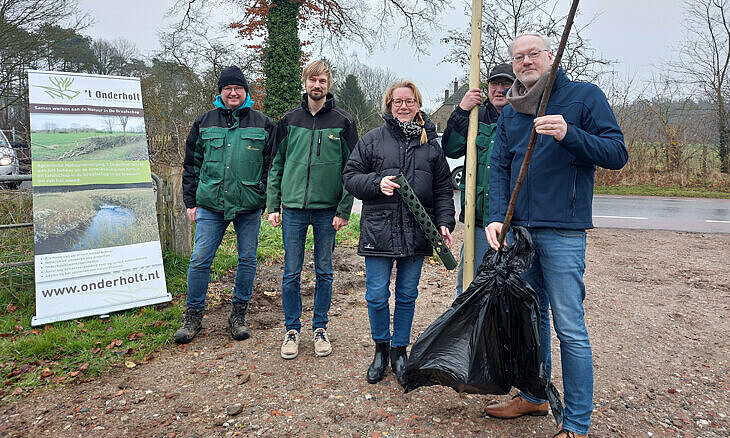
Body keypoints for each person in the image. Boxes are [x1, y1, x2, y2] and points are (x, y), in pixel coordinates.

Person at [484, 34, 628, 438]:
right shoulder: (513, 108)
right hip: (520, 233)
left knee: (569, 327)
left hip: (563, 231)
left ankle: (577, 423)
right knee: (531, 320)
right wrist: (498, 217)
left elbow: (616, 153)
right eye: (518, 57)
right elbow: (499, 168)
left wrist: (570, 134)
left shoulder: (583, 97)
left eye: (533, 54)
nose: (525, 61)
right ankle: (534, 394)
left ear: (550, 57)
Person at [343, 80, 456, 385]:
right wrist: (376, 183)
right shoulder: (372, 140)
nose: (403, 106)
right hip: (379, 230)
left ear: (418, 105)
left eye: (410, 101)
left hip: (419, 231)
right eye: (397, 102)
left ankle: (399, 351)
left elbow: (444, 189)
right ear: (389, 105)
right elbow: (350, 176)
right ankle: (380, 349)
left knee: (407, 295)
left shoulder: (431, 146)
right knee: (377, 295)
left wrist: (445, 221)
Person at [176, 65, 276, 344]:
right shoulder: (204, 122)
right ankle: (193, 315)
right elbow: (191, 165)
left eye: (238, 88)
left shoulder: (264, 124)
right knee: (200, 260)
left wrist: (266, 198)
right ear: (220, 92)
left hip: (248, 205)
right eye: (228, 89)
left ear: (246, 92)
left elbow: (272, 166)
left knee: (247, 260)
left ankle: (238, 315)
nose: (233, 93)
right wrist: (190, 201)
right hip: (210, 204)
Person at [266, 60, 358, 360]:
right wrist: (273, 204)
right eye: (312, 80)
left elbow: (351, 169)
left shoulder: (344, 121)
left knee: (325, 271)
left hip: (326, 210)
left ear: (329, 84)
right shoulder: (289, 120)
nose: (316, 85)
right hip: (292, 209)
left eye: (322, 80)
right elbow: (276, 164)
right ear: (304, 82)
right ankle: (292, 330)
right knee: (291, 272)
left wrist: (344, 209)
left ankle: (320, 328)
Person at [441, 63, 514, 296]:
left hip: (514, 223)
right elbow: (451, 149)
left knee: (508, 288)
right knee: (469, 287)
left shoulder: (523, 118)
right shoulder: (476, 117)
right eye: (494, 84)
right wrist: (461, 111)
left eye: (506, 84)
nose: (499, 89)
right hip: (479, 222)